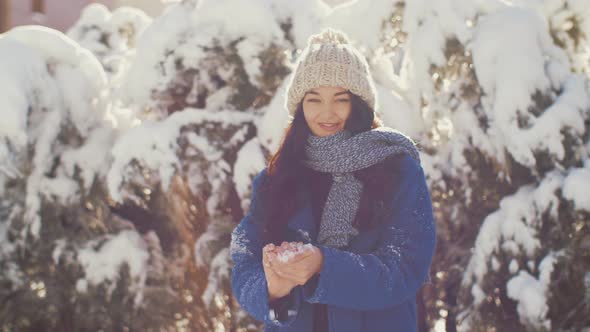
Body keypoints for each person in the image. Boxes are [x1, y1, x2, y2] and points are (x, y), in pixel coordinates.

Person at [230, 27, 436, 332]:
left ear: (359, 103)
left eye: (340, 99)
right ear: (300, 106)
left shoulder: (398, 170)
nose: (327, 112)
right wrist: (272, 288)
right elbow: (244, 264)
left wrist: (323, 265)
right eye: (314, 99)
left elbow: (405, 268)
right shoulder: (275, 179)